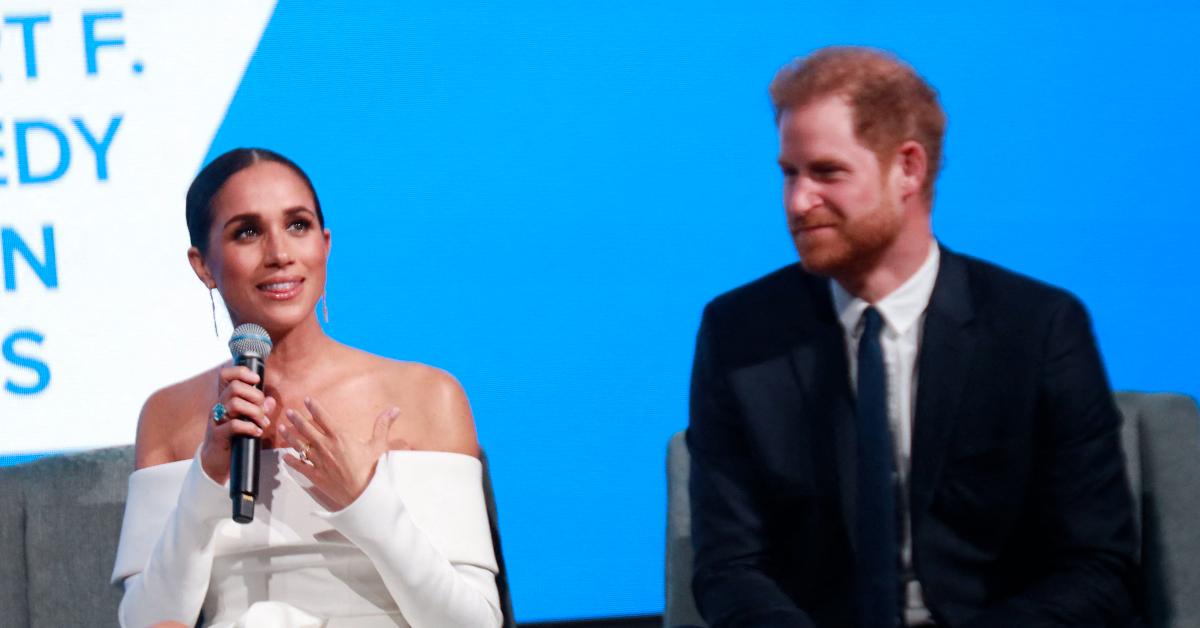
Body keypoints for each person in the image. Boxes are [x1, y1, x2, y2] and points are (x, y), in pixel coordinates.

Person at [687, 47, 1139, 627]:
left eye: (826, 172)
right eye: (789, 174)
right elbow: (729, 565)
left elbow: (1098, 566)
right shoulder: (739, 332)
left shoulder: (1038, 327)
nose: (798, 202)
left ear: (908, 168)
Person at [110, 148, 504, 627]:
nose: (279, 254)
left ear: (326, 244)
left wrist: (366, 501)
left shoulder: (426, 397)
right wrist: (207, 477)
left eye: (297, 225)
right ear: (204, 265)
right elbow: (147, 621)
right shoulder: (170, 415)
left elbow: (475, 623)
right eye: (247, 232)